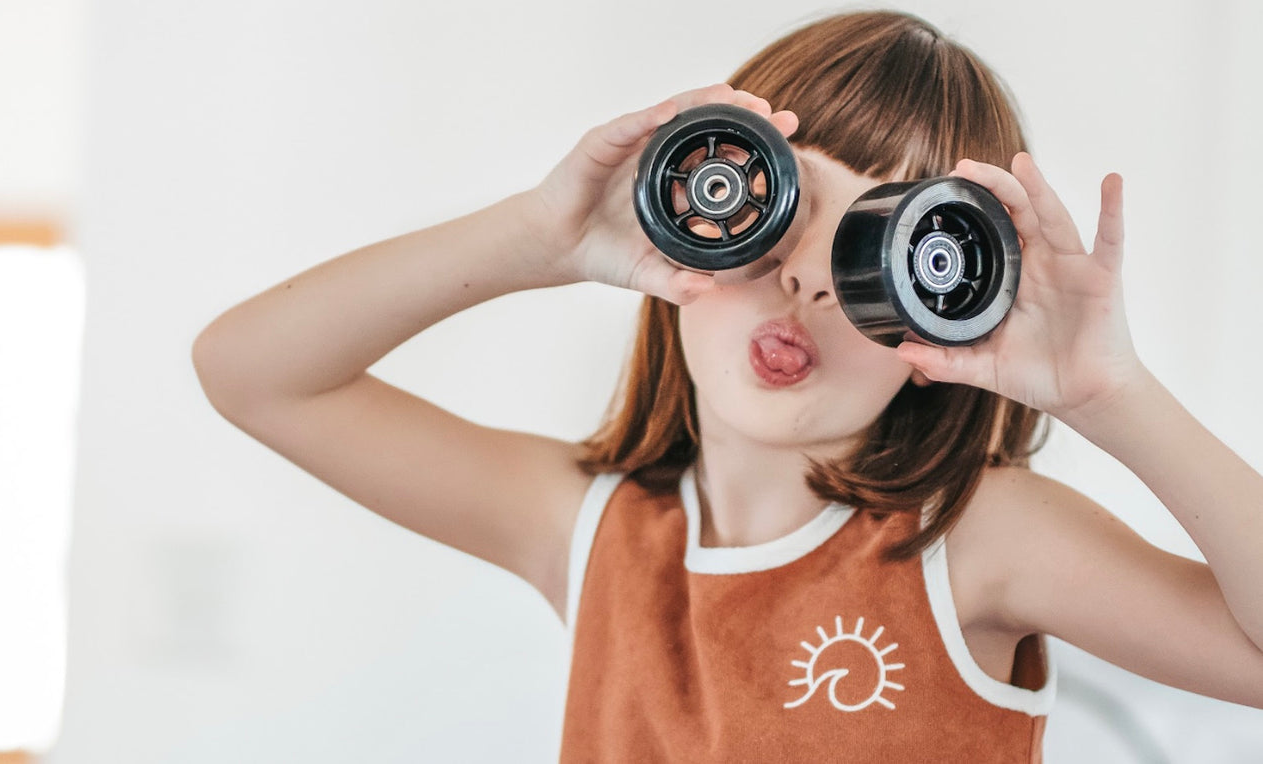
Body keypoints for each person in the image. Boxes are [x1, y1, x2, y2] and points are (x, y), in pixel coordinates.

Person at [190, 9, 1263, 762]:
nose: (805, 277)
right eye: (778, 216)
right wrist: (542, 234)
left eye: (870, 256)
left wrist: (1111, 394)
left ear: (945, 312)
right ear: (688, 218)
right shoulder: (592, 529)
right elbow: (253, 372)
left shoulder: (969, 540)